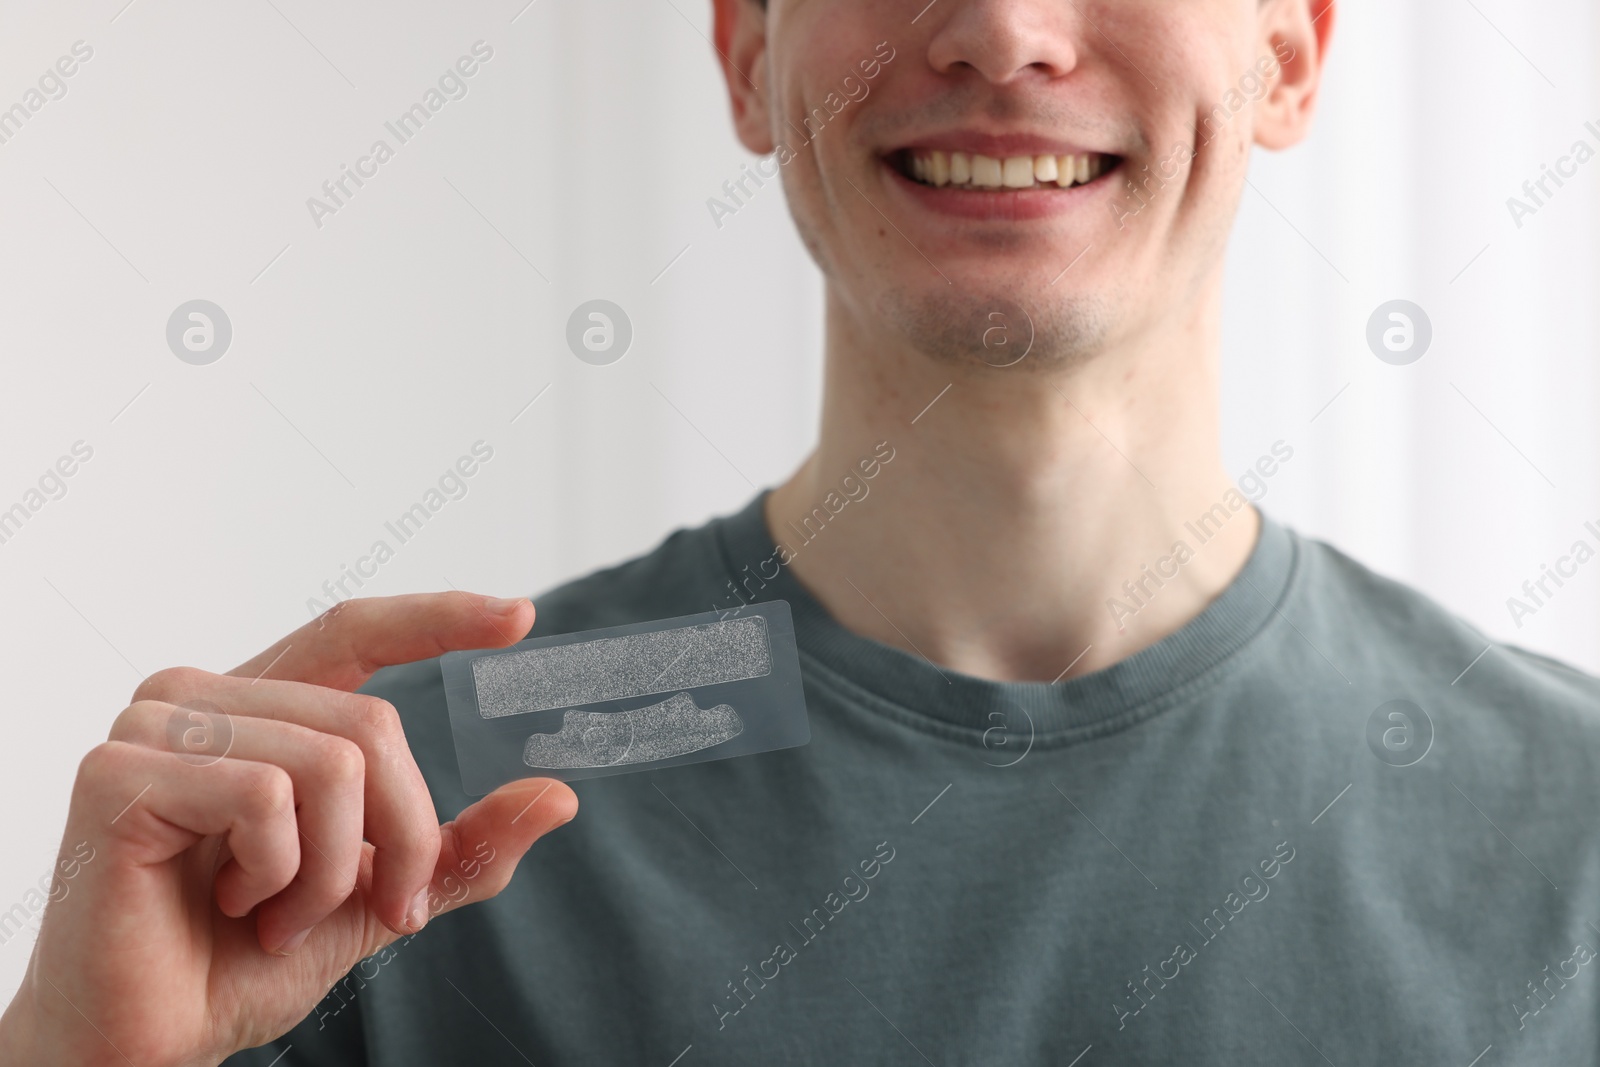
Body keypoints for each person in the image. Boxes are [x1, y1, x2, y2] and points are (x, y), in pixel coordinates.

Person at [6, 0, 1599, 1062]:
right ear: (747, 54)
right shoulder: (384, 833)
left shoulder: (1572, 834)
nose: (1001, 31)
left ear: (1292, 53)